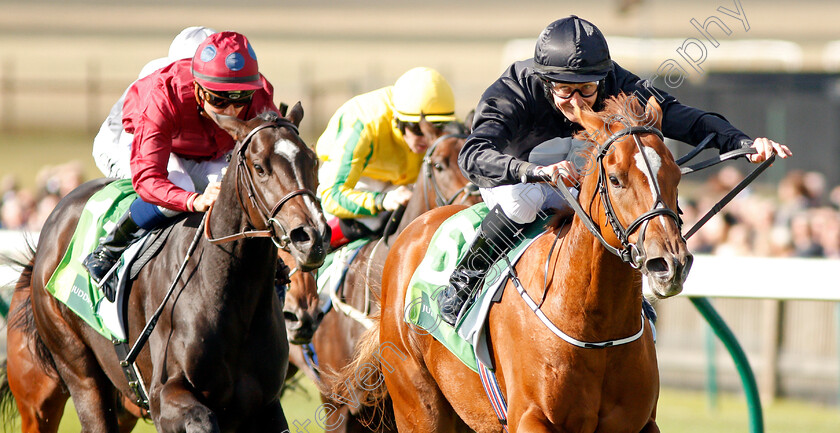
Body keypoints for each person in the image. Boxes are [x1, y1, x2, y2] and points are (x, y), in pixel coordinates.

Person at [437, 15, 793, 325]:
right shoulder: (515, 88)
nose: (576, 102)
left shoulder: (615, 82)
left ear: (600, 78)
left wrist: (742, 143)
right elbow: (473, 155)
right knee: (525, 201)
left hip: (578, 173)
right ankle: (465, 279)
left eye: (587, 89)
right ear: (546, 81)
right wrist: (533, 172)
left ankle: (630, 299)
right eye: (564, 90)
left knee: (613, 205)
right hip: (513, 174)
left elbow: (681, 116)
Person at [83, 31, 280, 299]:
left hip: (200, 150)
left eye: (239, 99)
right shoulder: (163, 95)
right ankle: (110, 249)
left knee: (237, 187)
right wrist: (193, 201)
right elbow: (149, 179)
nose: (231, 112)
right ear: (197, 85)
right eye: (219, 100)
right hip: (127, 141)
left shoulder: (257, 93)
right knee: (180, 187)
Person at [316, 67, 457, 248]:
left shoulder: (446, 129)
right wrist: (381, 200)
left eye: (435, 129)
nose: (426, 138)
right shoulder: (364, 122)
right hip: (359, 179)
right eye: (417, 129)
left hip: (405, 183)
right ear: (398, 121)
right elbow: (332, 196)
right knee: (366, 223)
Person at [93, 26, 217, 179]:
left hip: (181, 149)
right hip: (124, 145)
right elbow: (144, 149)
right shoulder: (156, 84)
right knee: (177, 182)